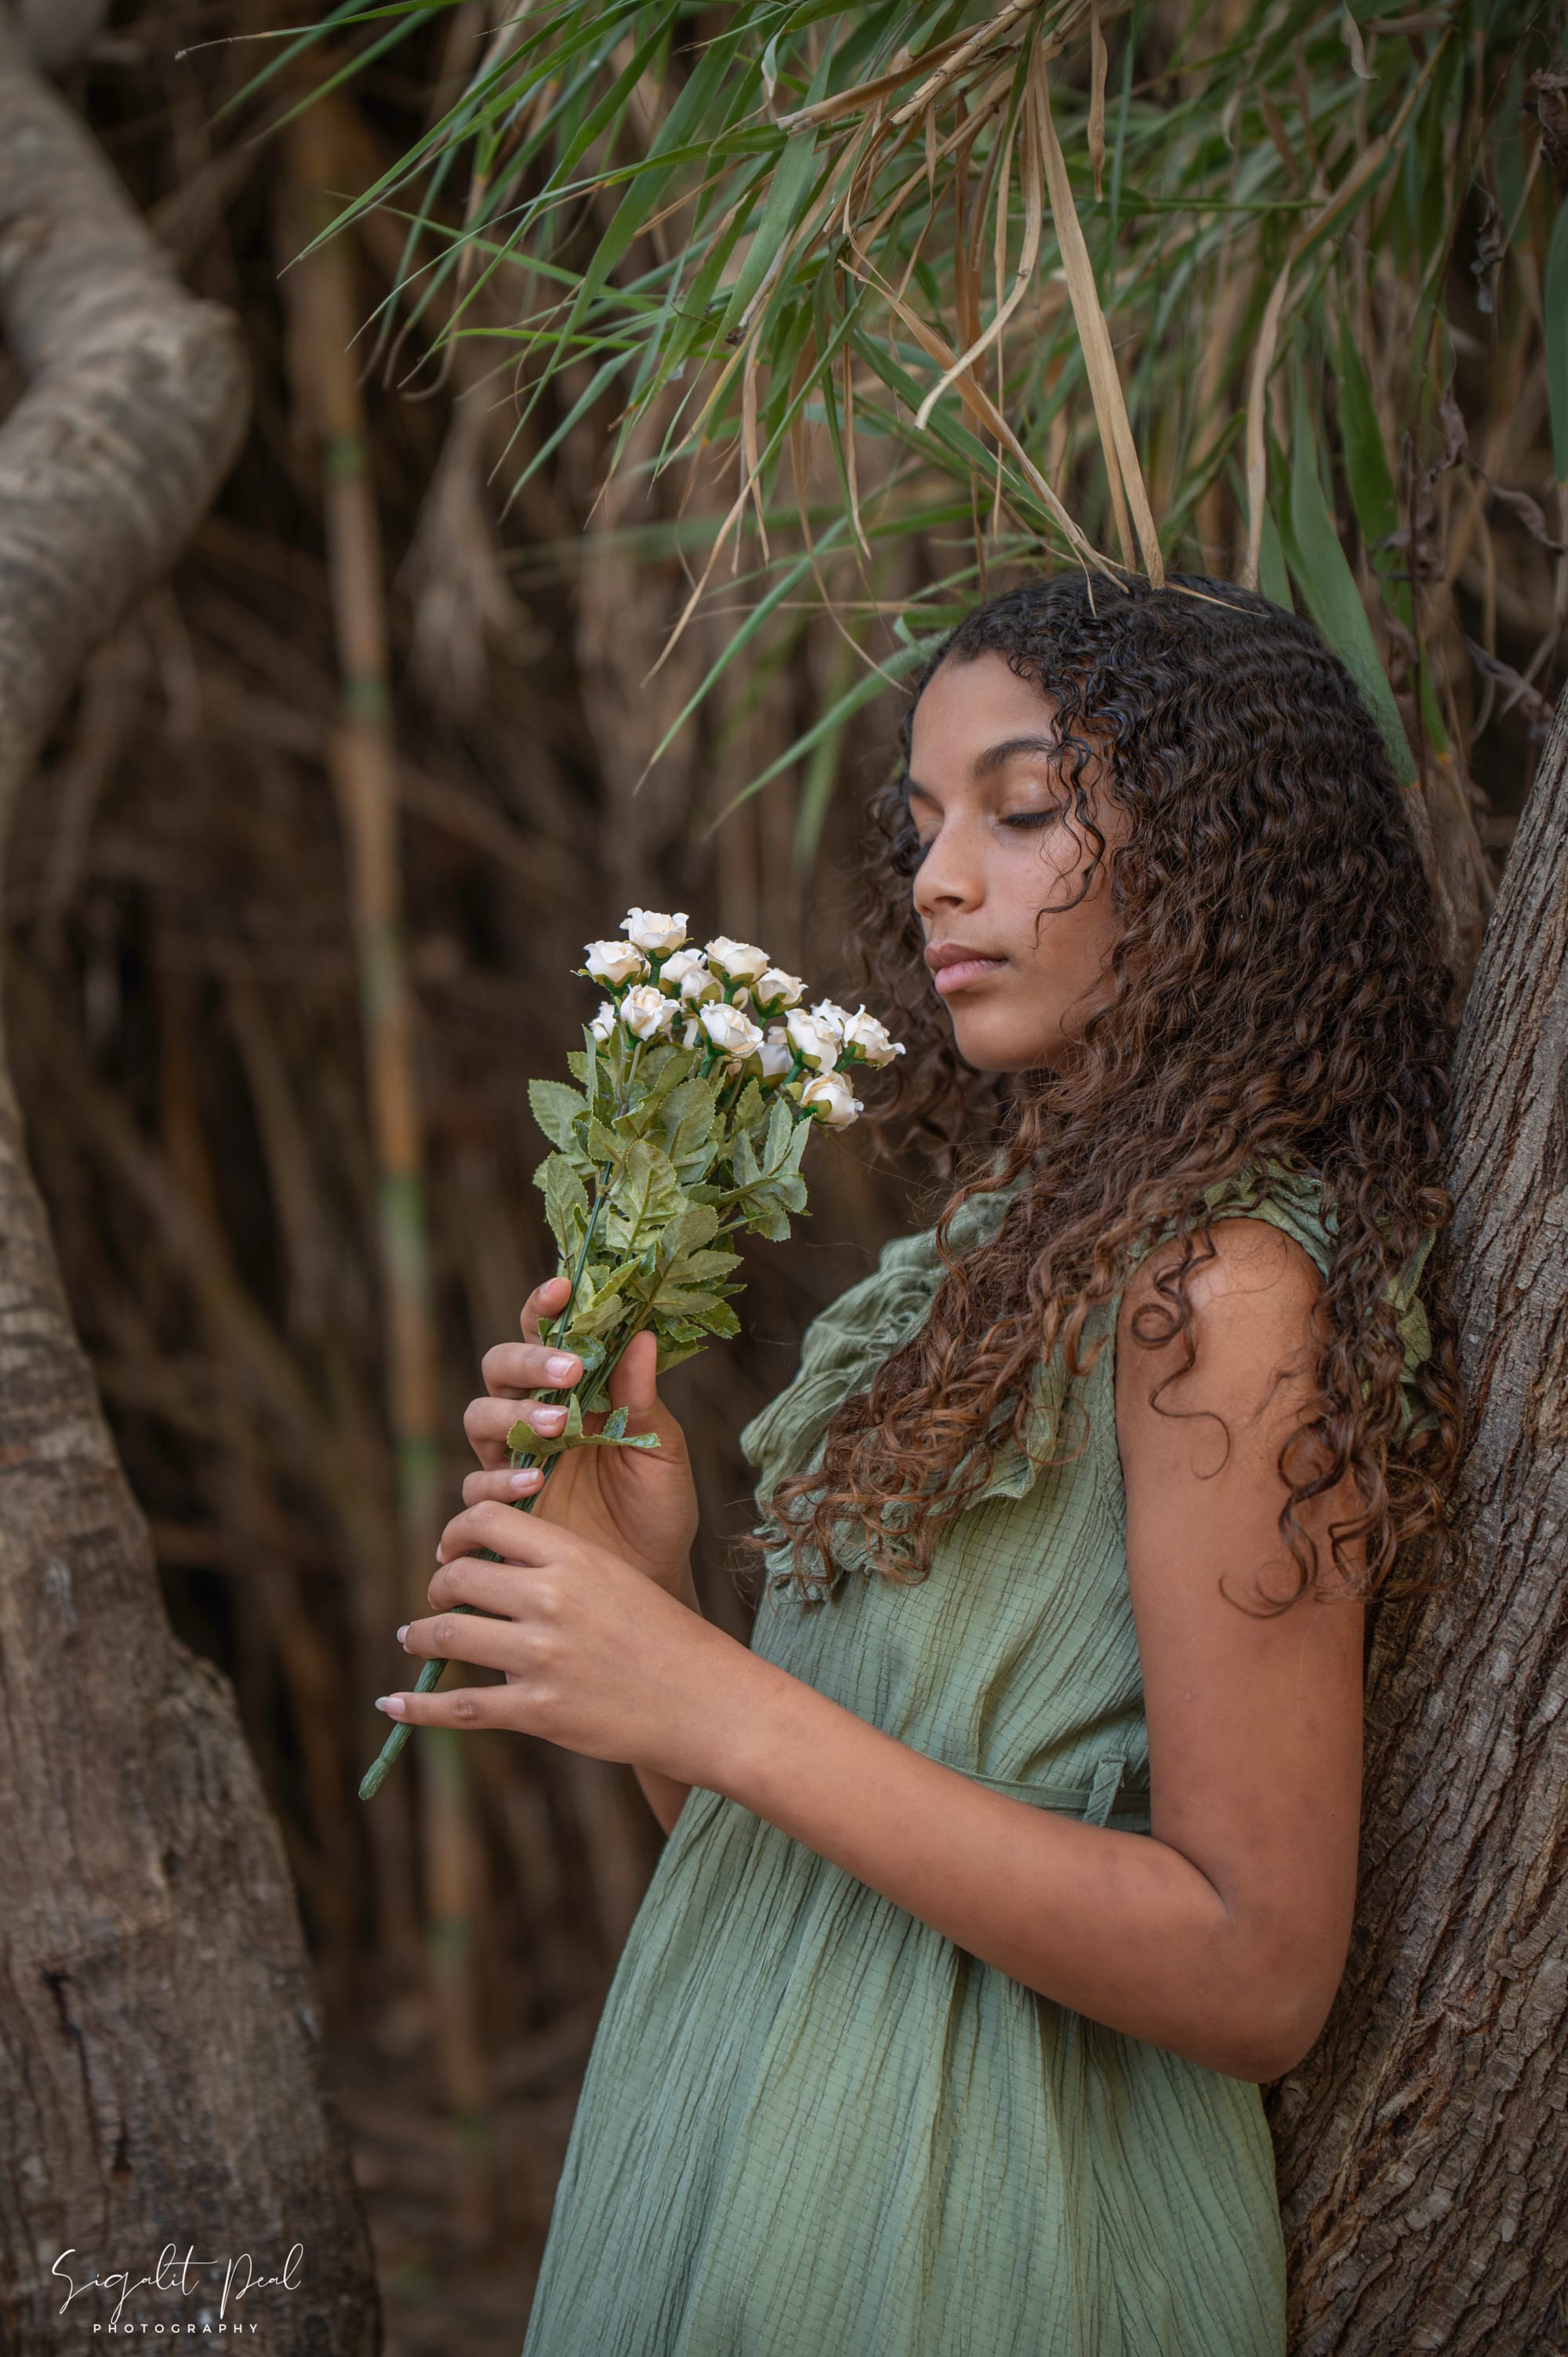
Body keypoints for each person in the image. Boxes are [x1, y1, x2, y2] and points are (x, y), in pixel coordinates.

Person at [376, 575, 1461, 2356]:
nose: (939, 878)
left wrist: (712, 1694)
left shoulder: (1228, 1292)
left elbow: (1255, 1969)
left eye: (1023, 812)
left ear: (1222, 855)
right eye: (920, 824)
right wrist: (643, 1603)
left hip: (987, 2213)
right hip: (736, 2127)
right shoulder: (988, 1264)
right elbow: (800, 1851)